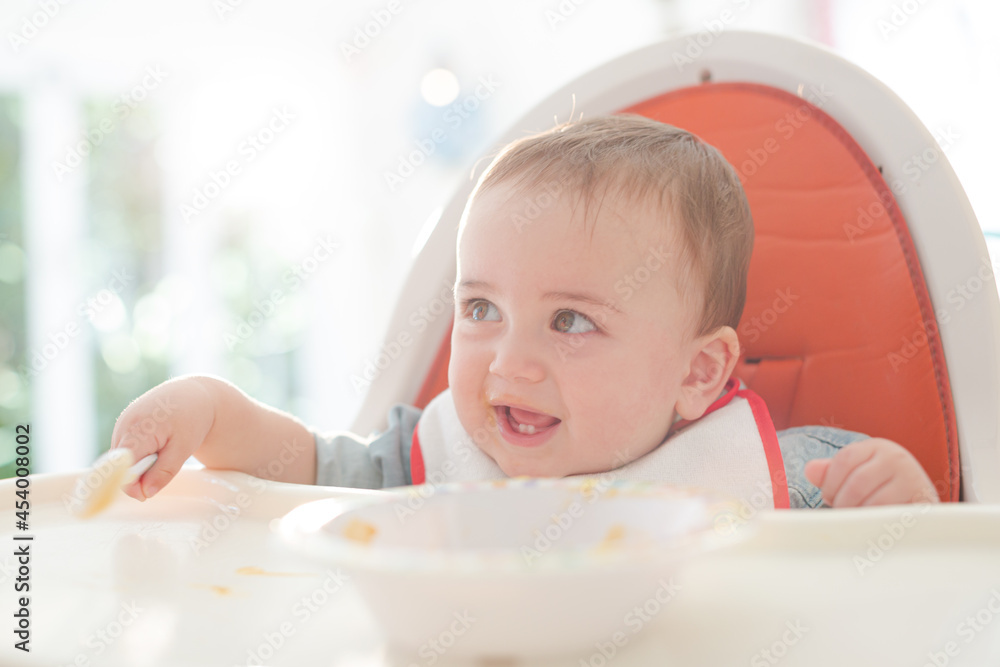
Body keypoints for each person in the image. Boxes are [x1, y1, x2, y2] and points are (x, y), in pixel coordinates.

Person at [111, 115, 939, 510]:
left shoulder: (782, 476)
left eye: (571, 321)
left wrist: (900, 511)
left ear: (697, 372)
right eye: (481, 307)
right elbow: (311, 472)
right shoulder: (441, 457)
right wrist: (216, 412)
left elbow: (906, 582)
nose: (508, 363)